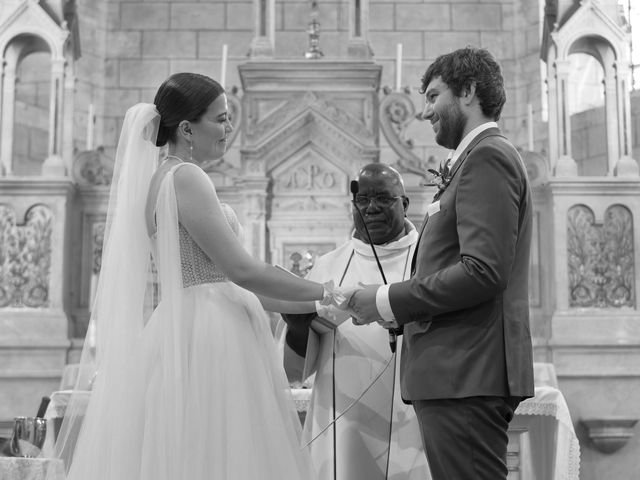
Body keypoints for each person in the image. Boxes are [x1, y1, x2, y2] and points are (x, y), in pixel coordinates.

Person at [52, 72, 343, 480]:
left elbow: (240, 280)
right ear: (187, 128)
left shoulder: (163, 178)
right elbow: (242, 270)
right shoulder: (186, 177)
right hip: (210, 333)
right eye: (221, 119)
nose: (229, 128)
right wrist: (330, 292)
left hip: (189, 320)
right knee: (223, 452)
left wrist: (314, 301)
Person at [346, 47, 535, 480]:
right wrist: (395, 316)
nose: (426, 111)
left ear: (467, 91)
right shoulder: (472, 161)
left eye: (434, 96)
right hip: (457, 371)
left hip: (467, 370)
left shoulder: (488, 156)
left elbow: (482, 270)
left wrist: (387, 299)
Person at [280, 163, 431, 480]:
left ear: (404, 203)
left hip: (413, 420)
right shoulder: (328, 265)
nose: (371, 207)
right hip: (342, 420)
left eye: (382, 198)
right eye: (363, 200)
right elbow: (297, 371)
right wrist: (296, 326)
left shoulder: (429, 259)